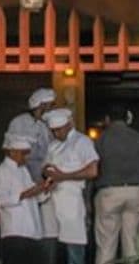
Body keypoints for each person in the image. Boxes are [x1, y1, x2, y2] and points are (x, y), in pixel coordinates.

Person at [93, 104, 139, 264]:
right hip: (137, 191)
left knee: (106, 244)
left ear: (107, 119)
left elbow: (92, 168)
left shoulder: (101, 140)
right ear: (127, 118)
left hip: (109, 192)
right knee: (134, 245)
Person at [7, 88, 59, 261]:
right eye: (48, 105)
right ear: (39, 105)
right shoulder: (19, 123)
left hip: (47, 187)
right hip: (25, 185)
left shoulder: (51, 126)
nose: (51, 109)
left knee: (49, 230)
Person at [42, 108, 99, 264]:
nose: (56, 134)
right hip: (52, 198)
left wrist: (64, 176)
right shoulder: (52, 145)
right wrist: (49, 174)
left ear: (68, 125)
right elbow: (45, 167)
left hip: (72, 199)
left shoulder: (82, 142)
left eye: (58, 130)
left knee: (74, 246)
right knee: (51, 243)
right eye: (53, 131)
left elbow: (92, 171)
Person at [0, 132, 49, 264]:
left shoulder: (23, 170)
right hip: (15, 232)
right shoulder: (1, 172)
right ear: (12, 152)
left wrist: (44, 188)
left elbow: (36, 196)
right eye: (24, 153)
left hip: (32, 231)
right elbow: (2, 200)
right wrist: (25, 194)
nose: (27, 157)